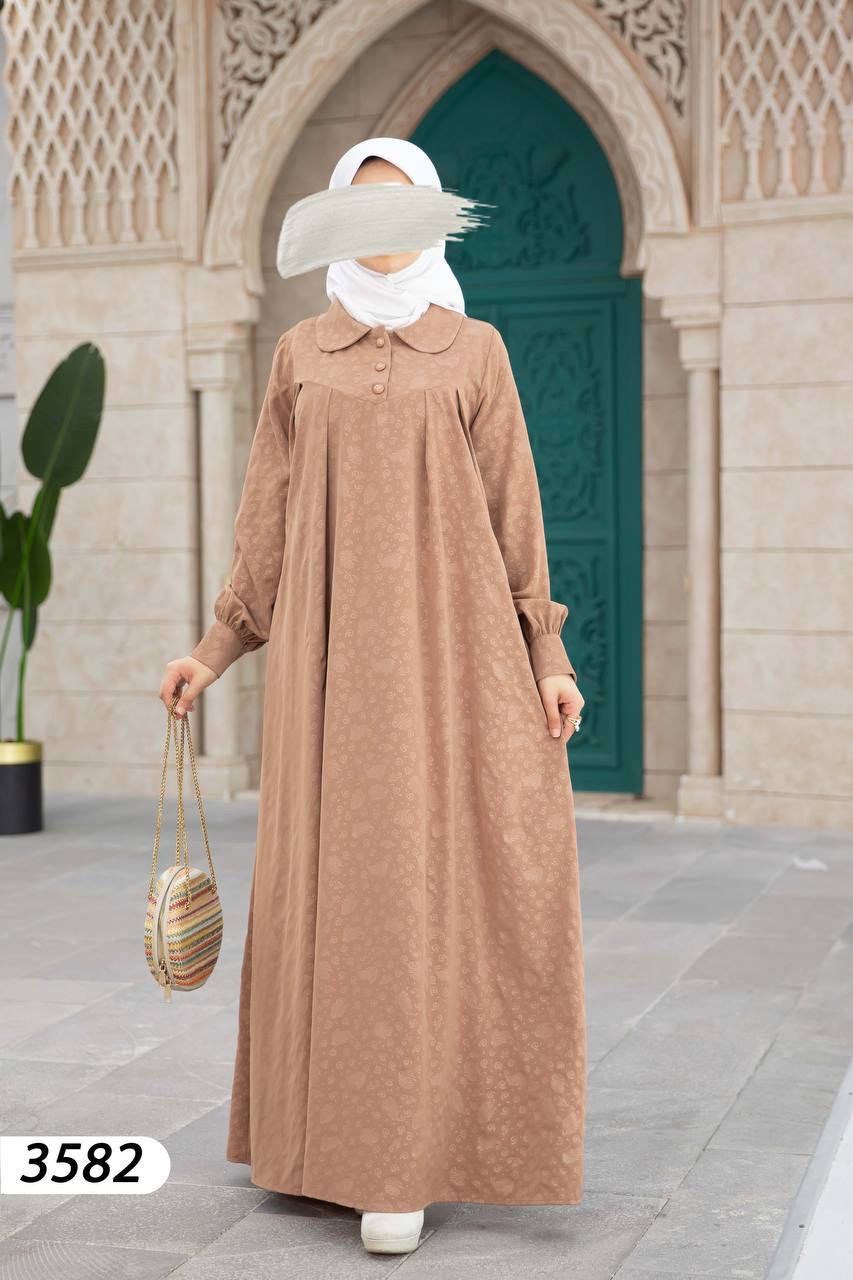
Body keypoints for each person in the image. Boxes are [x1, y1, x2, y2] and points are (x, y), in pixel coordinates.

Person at [159, 137, 587, 1257]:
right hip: (328, 667)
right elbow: (266, 512)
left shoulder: (474, 350)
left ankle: (409, 1153)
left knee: (432, 889)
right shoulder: (302, 353)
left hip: (453, 663)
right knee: (344, 892)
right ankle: (333, 1145)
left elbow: (515, 510)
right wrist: (214, 648)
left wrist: (546, 654)